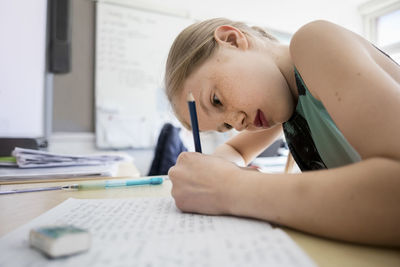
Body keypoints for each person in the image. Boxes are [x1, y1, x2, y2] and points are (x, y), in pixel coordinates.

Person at [164, 18, 400, 246]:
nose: (238, 123)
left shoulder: (314, 42)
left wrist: (228, 187)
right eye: (226, 126)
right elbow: (235, 148)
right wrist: (206, 175)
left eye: (216, 100)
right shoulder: (283, 100)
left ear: (232, 40)